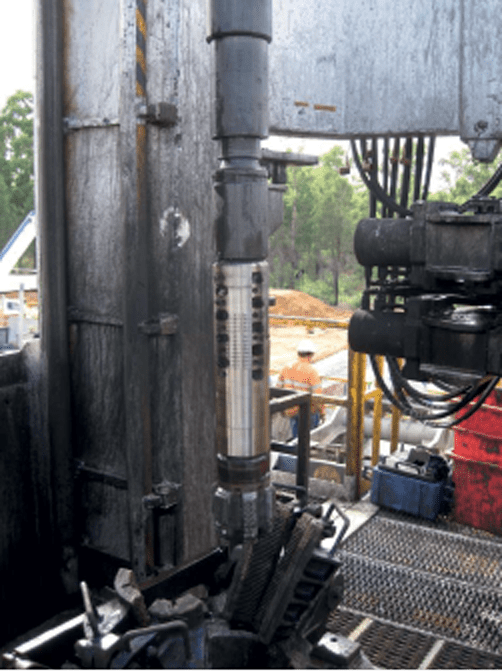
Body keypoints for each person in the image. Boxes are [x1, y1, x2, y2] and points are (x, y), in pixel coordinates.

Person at [278, 339, 325, 439]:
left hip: (291, 410)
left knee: (296, 438)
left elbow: (278, 389)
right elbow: (318, 396)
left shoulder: (286, 368)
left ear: (298, 353)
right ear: (311, 355)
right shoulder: (312, 371)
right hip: (307, 412)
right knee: (309, 439)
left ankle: (295, 451)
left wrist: (282, 408)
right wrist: (322, 413)